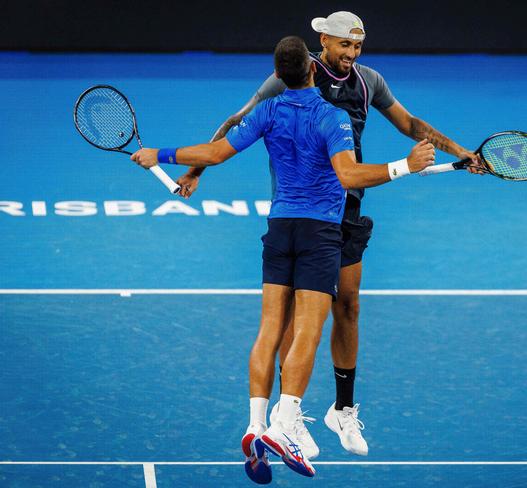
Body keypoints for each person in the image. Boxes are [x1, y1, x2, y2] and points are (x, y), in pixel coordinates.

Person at [176, 11, 484, 458]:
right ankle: (288, 418)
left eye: (358, 47)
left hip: (350, 202)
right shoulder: (293, 75)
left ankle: (341, 409)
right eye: (344, 46)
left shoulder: (369, 81)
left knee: (349, 305)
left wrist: (461, 151)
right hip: (306, 208)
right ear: (324, 40)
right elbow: (235, 122)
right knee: (294, 320)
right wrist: (194, 170)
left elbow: (410, 124)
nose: (351, 55)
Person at [131, 36, 435, 482]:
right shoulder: (332, 117)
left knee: (270, 330)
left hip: (279, 230)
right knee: (308, 333)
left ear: (280, 75)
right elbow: (349, 175)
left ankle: (255, 425)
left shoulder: (267, 111)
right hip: (319, 233)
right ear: (312, 70)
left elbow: (216, 152)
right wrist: (406, 165)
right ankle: (284, 424)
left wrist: (159, 155)